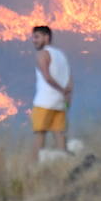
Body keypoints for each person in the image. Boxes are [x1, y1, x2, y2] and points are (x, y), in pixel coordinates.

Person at [30, 25, 72, 161]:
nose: (34, 40)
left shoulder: (42, 54)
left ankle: (36, 166)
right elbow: (70, 80)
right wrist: (66, 97)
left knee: (40, 134)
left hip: (44, 101)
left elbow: (47, 77)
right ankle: (63, 163)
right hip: (59, 102)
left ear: (46, 37)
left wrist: (60, 89)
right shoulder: (61, 55)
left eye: (37, 37)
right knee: (59, 133)